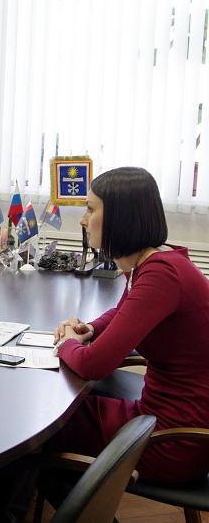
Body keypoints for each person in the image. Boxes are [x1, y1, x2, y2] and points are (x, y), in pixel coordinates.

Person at [52, 167, 209, 483]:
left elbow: (93, 365)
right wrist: (90, 329)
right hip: (167, 417)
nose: (83, 220)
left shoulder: (161, 275)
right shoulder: (155, 261)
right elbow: (123, 310)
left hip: (171, 439)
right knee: (61, 411)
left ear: (119, 218)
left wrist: (66, 342)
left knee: (47, 421)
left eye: (91, 209)